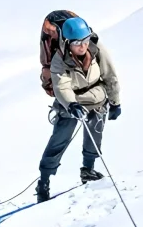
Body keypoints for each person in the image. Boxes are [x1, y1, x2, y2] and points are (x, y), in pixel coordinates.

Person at [36, 16, 121, 202]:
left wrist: (115, 102)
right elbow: (61, 86)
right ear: (68, 42)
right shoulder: (60, 59)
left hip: (97, 99)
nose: (82, 46)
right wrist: (71, 103)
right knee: (59, 139)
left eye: (85, 40)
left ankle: (88, 170)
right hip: (71, 104)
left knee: (95, 134)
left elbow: (110, 75)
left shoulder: (98, 50)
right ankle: (44, 181)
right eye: (76, 42)